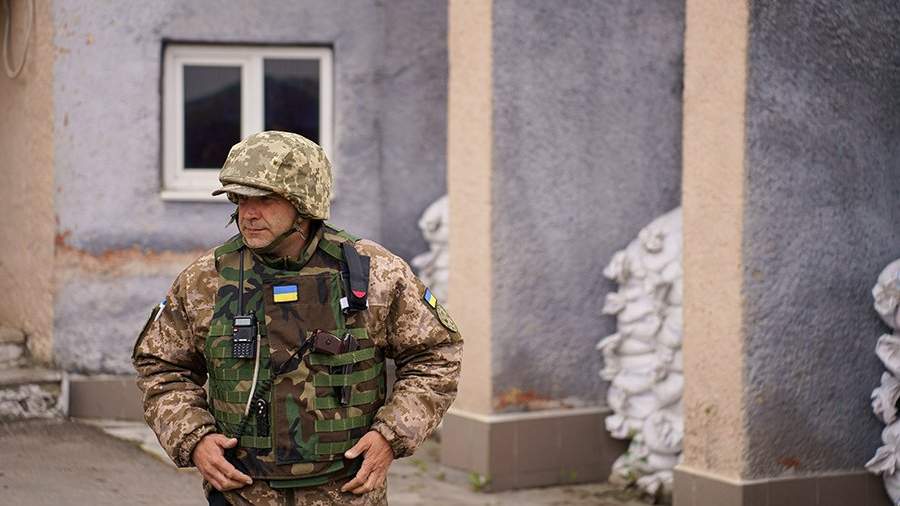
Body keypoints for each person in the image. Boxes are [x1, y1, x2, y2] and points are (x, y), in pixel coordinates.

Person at [133, 131, 463, 505]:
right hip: (243, 494)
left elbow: (436, 355)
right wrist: (194, 438)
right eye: (240, 199)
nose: (248, 213)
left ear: (304, 203)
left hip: (346, 494)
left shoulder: (374, 273)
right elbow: (161, 367)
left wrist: (391, 434)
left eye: (265, 199)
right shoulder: (205, 280)